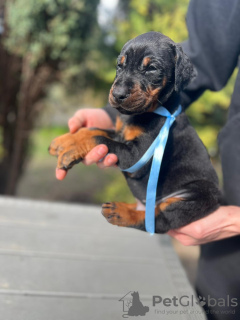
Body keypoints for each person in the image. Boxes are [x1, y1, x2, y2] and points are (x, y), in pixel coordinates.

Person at [56, 0, 240, 318]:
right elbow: (201, 56)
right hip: (230, 220)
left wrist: (236, 220)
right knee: (217, 305)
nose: (120, 86)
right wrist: (112, 115)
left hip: (224, 215)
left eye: (148, 69)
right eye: (120, 67)